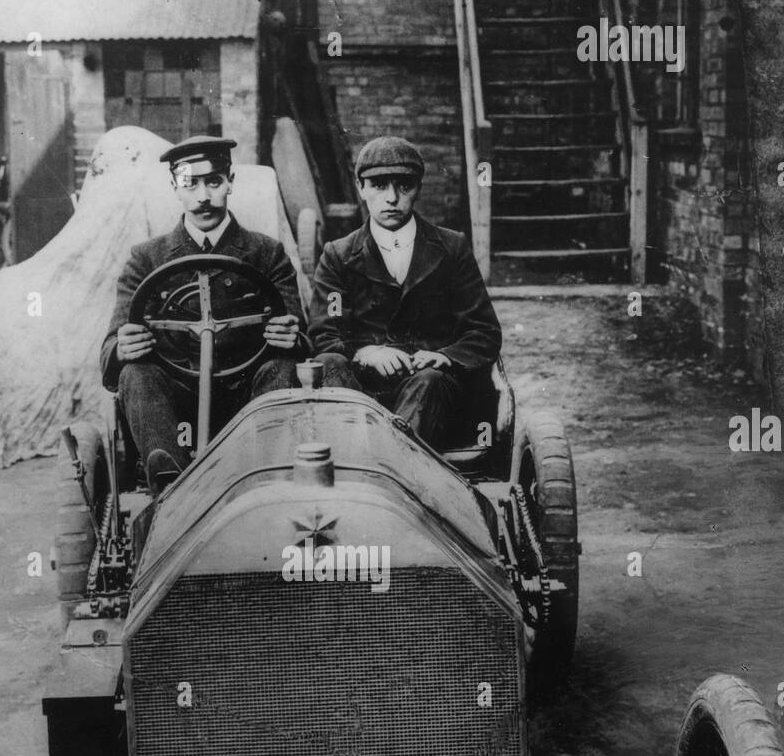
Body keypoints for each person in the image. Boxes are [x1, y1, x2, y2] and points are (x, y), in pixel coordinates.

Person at [100, 135, 306, 492]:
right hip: (174, 406)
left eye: (213, 181)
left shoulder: (267, 253)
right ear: (174, 188)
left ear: (230, 182)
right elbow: (109, 350)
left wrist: (292, 338)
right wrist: (122, 348)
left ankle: (259, 484)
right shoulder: (145, 258)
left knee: (284, 367)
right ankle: (173, 490)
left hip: (248, 398)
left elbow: (303, 340)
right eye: (189, 184)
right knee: (136, 373)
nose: (203, 196)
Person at [307, 136, 501, 448]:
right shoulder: (339, 255)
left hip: (433, 392)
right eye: (379, 185)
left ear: (419, 188)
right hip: (362, 390)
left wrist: (444, 357)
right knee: (329, 362)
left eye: (404, 186)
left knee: (429, 382)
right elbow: (324, 332)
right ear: (361, 188)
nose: (392, 198)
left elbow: (483, 332)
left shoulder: (452, 249)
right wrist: (367, 353)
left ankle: (390, 465)